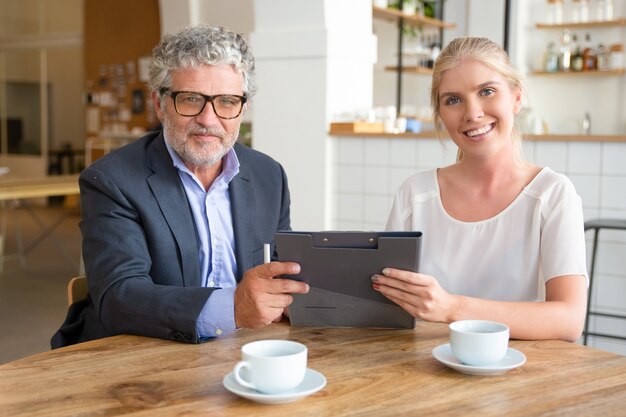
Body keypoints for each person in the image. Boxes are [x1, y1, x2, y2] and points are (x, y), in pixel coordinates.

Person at [51, 24, 309, 348]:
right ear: (160, 104)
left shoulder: (269, 175)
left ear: (243, 108)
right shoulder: (111, 180)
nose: (209, 119)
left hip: (247, 351)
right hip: (141, 358)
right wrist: (231, 308)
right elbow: (118, 297)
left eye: (227, 102)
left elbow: (281, 272)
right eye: (190, 99)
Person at [371, 37, 587, 342]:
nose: (472, 113)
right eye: (453, 100)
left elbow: (569, 320)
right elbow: (390, 307)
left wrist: (452, 307)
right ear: (440, 114)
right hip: (426, 374)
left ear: (516, 98)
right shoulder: (415, 195)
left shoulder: (552, 195)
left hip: (526, 378)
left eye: (487, 91)